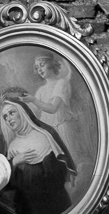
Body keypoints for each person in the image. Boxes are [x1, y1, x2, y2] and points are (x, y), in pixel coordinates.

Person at [0, 99, 76, 214]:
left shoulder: (45, 135)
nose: (8, 119)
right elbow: (8, 186)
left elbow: (58, 174)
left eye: (12, 113)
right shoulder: (13, 147)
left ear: (22, 113)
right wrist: (15, 162)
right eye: (5, 117)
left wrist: (28, 169)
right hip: (28, 208)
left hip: (55, 203)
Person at [21, 54, 94, 201]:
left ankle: (77, 200)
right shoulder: (41, 90)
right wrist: (20, 107)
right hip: (48, 133)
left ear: (51, 64)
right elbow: (34, 113)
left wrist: (33, 100)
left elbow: (53, 108)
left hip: (62, 128)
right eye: (37, 67)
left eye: (41, 64)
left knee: (70, 162)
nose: (39, 69)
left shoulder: (61, 83)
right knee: (53, 166)